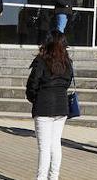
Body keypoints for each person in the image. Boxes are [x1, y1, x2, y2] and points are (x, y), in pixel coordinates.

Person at [26, 31, 72, 180]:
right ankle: (54, 177)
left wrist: (35, 98)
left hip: (44, 106)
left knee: (44, 148)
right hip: (61, 105)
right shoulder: (67, 62)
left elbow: (32, 84)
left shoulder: (41, 61)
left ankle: (41, 178)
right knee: (55, 144)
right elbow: (67, 82)